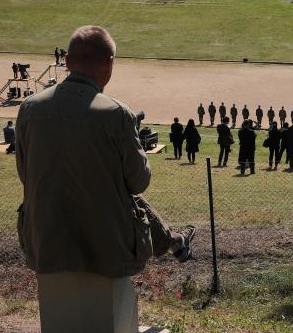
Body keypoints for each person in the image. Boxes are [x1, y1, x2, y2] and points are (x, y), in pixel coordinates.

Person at [15, 25, 194, 283]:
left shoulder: (29, 109)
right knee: (126, 196)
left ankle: (172, 240)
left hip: (43, 245)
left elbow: (25, 174)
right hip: (108, 252)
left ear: (66, 62)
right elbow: (138, 181)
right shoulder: (116, 114)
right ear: (109, 64)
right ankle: (173, 241)